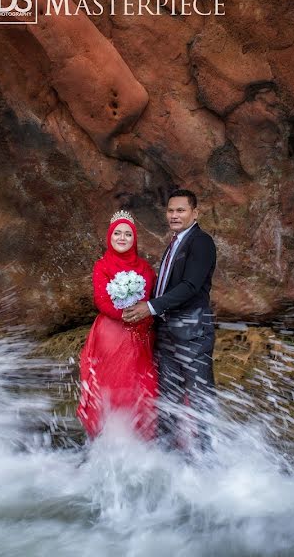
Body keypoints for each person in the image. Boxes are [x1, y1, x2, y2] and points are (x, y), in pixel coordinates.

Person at [122, 189, 217, 451]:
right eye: (170, 210)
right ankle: (167, 455)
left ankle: (208, 458)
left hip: (192, 331)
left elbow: (190, 286)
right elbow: (166, 285)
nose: (174, 215)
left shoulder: (201, 242)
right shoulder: (175, 242)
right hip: (166, 331)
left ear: (194, 213)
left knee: (200, 395)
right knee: (168, 396)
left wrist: (150, 307)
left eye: (181, 210)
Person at [77, 211, 158, 440]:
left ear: (135, 239)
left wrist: (141, 317)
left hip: (139, 334)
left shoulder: (145, 268)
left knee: (137, 383)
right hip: (111, 334)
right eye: (118, 233)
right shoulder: (102, 265)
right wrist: (126, 315)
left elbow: (151, 299)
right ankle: (106, 435)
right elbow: (101, 300)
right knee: (110, 383)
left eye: (128, 234)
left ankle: (137, 436)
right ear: (110, 236)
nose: (122, 238)